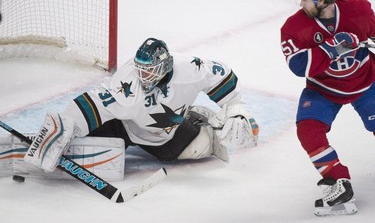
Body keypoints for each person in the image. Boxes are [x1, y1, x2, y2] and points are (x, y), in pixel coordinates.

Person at [23, 37, 259, 177]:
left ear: (165, 65)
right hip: (123, 126)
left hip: (164, 134)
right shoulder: (128, 83)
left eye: (149, 69)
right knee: (85, 136)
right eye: (140, 68)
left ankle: (198, 120)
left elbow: (222, 75)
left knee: (198, 150)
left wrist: (237, 109)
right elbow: (95, 103)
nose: (143, 74)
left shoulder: (190, 69)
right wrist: (66, 125)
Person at [280, 0, 375, 215]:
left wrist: (365, 40)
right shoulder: (294, 27)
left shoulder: (358, 10)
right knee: (308, 130)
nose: (301, 3)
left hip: (366, 82)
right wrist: (332, 48)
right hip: (323, 89)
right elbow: (298, 66)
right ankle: (337, 179)